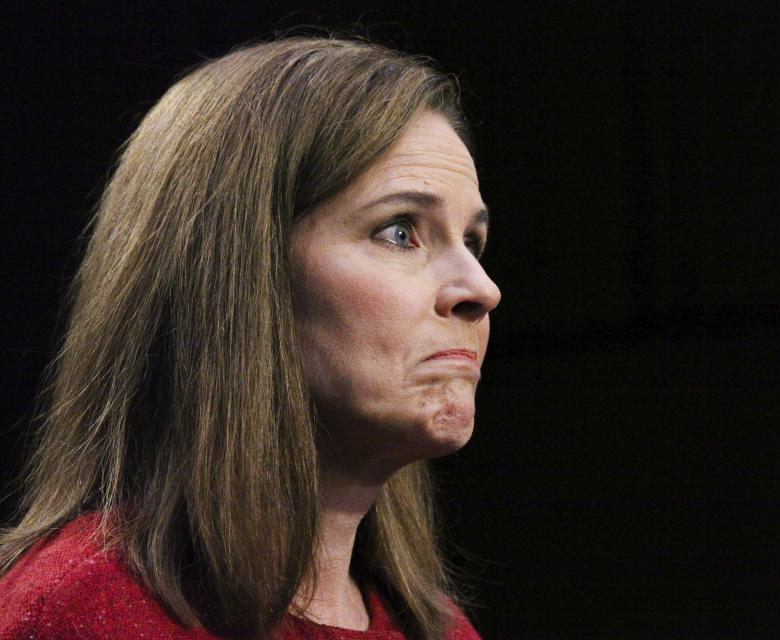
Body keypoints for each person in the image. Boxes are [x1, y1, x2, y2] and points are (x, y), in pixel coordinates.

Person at [0, 36, 500, 640]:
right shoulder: (86, 609)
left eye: (471, 241)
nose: (481, 288)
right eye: (399, 231)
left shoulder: (442, 630)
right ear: (240, 273)